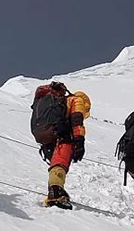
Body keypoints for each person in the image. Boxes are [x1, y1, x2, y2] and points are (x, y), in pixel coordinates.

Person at [30, 81, 91, 209]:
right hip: (63, 136)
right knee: (60, 163)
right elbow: (76, 120)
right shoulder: (77, 100)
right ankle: (56, 193)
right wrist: (79, 140)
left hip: (47, 137)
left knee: (56, 164)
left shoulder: (53, 102)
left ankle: (54, 189)